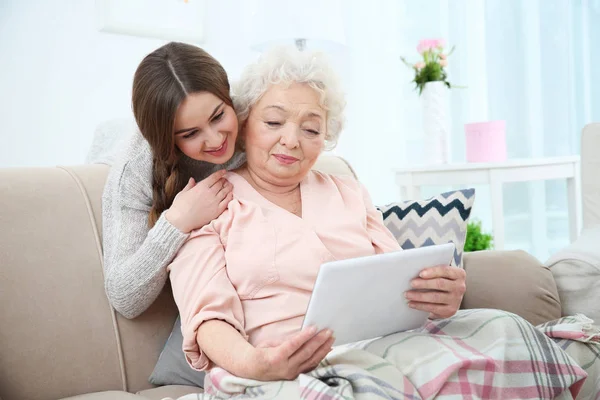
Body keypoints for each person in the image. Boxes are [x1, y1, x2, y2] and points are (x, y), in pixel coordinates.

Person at [167, 47, 467, 381]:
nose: (291, 141)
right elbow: (208, 318)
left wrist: (437, 296)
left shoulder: (349, 192)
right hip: (279, 369)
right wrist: (258, 365)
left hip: (381, 352)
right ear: (244, 123)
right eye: (274, 122)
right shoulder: (208, 205)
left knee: (505, 329)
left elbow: (399, 286)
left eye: (310, 130)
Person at [102, 42, 245, 318]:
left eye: (218, 116)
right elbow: (124, 298)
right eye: (191, 133)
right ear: (168, 140)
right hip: (110, 152)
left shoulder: (249, 110)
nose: (216, 139)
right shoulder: (134, 171)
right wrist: (178, 221)